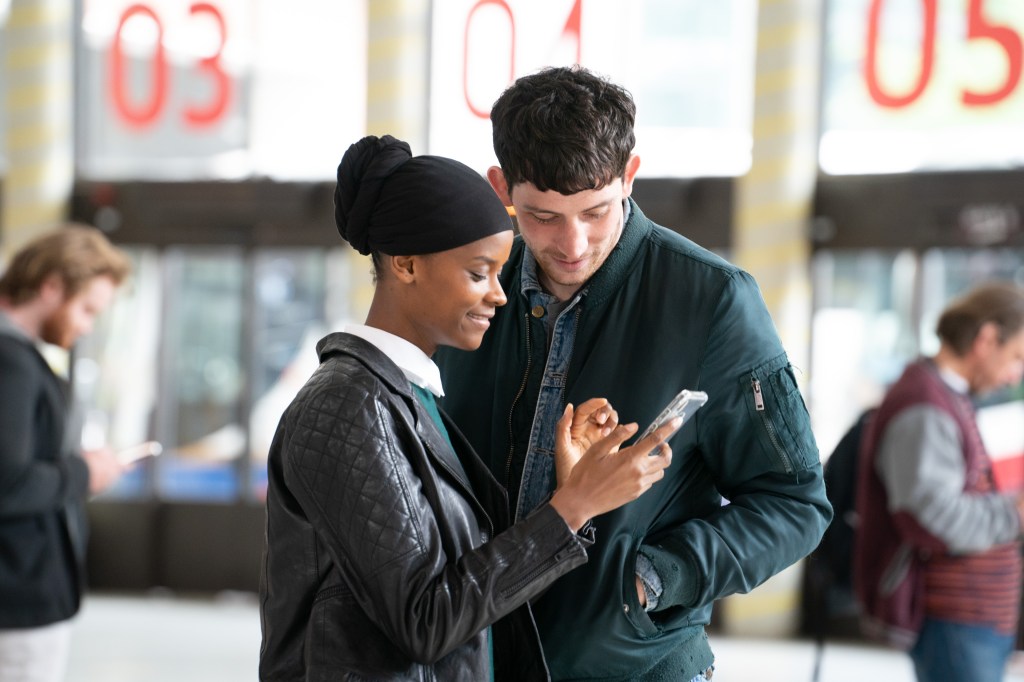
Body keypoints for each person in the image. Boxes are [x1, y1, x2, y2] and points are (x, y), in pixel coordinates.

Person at [435, 65, 833, 681]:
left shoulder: (712, 301)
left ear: (630, 176)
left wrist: (652, 579)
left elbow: (794, 505)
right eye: (542, 216)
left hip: (641, 667)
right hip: (474, 660)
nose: (572, 243)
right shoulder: (467, 294)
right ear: (501, 189)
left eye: (596, 211)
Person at [258, 134, 679, 681]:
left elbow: (455, 587)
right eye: (479, 272)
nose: (499, 294)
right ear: (406, 265)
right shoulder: (347, 405)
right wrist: (572, 507)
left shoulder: (404, 396)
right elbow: (426, 619)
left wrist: (567, 493)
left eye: (499, 274)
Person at [853, 282, 1024, 682]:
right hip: (954, 622)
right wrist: (1014, 513)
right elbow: (932, 515)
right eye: (1016, 356)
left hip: (973, 620)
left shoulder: (946, 395)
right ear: (986, 338)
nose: (1016, 374)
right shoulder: (925, 405)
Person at [0, 225, 131, 682]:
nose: (87, 326)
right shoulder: (11, 362)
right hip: (16, 600)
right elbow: (7, 483)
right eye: (87, 309)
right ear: (51, 286)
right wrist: (85, 473)